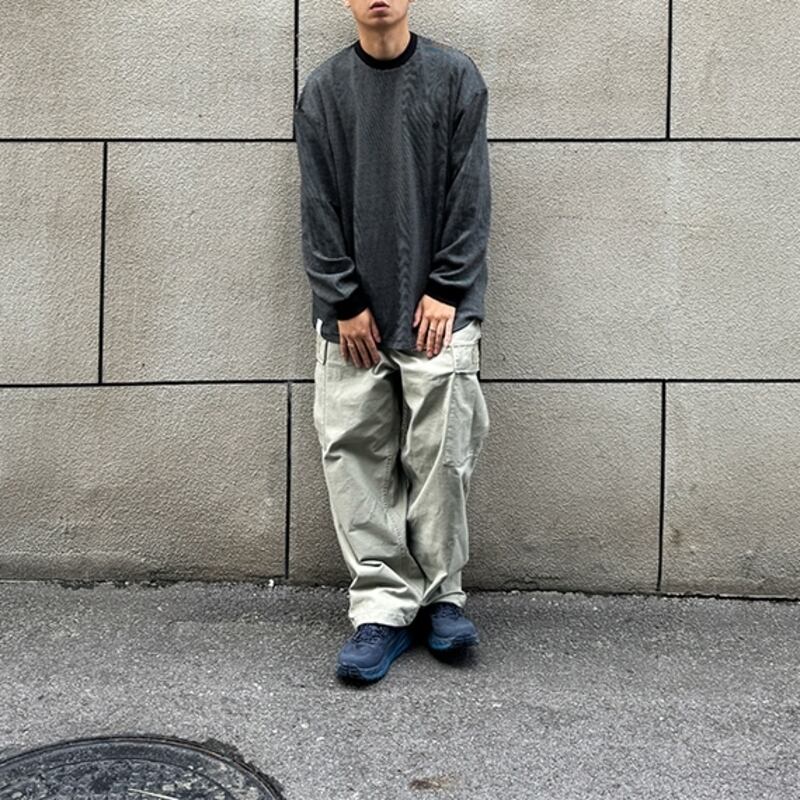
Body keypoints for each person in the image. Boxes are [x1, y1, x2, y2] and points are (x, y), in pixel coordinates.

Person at [293, 0, 491, 683]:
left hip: (439, 310)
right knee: (354, 453)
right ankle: (381, 609)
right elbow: (317, 203)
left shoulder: (455, 78)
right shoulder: (324, 90)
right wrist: (343, 299)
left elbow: (471, 194)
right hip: (353, 318)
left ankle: (441, 598)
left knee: (443, 455)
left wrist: (447, 287)